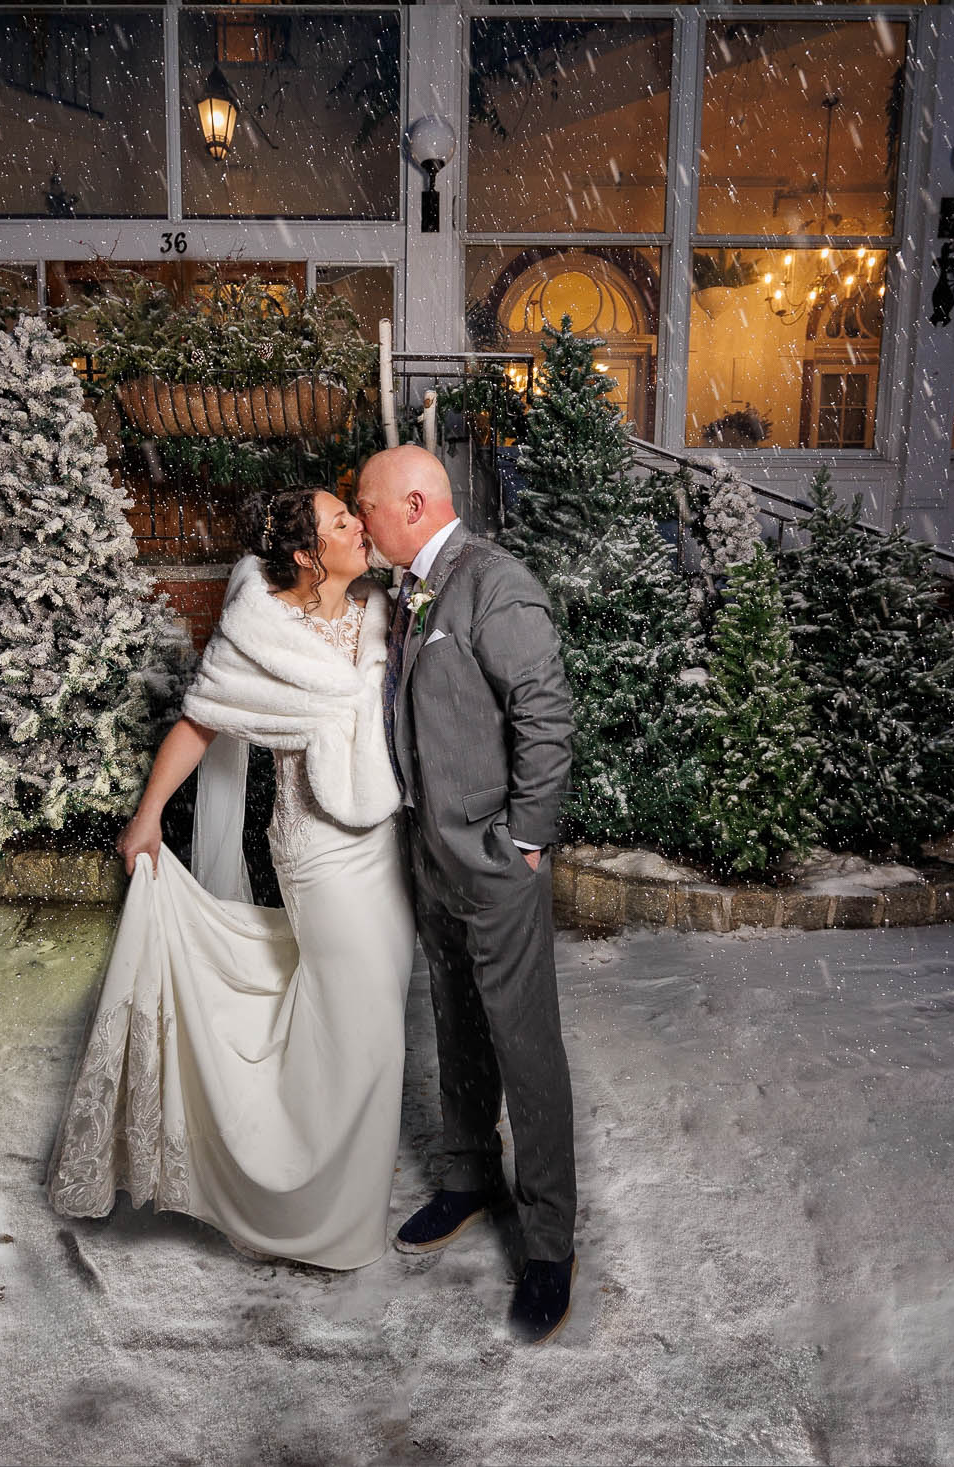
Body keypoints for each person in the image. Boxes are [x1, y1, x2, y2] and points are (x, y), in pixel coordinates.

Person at [45, 487, 415, 1271]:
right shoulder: (262, 635)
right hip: (316, 855)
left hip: (382, 849)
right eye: (341, 521)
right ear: (308, 554)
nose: (358, 523)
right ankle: (300, 1204)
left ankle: (347, 1205)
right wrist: (147, 817)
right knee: (367, 1026)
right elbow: (199, 720)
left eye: (353, 511)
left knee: (377, 1025)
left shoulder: (382, 608)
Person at [353, 445, 580, 1346]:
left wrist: (524, 840)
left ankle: (550, 1244)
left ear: (413, 503)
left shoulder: (494, 582)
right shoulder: (410, 586)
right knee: (455, 1025)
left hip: (493, 862)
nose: (361, 518)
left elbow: (545, 713)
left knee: (525, 1047)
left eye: (367, 505)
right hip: (432, 859)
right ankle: (466, 1174)